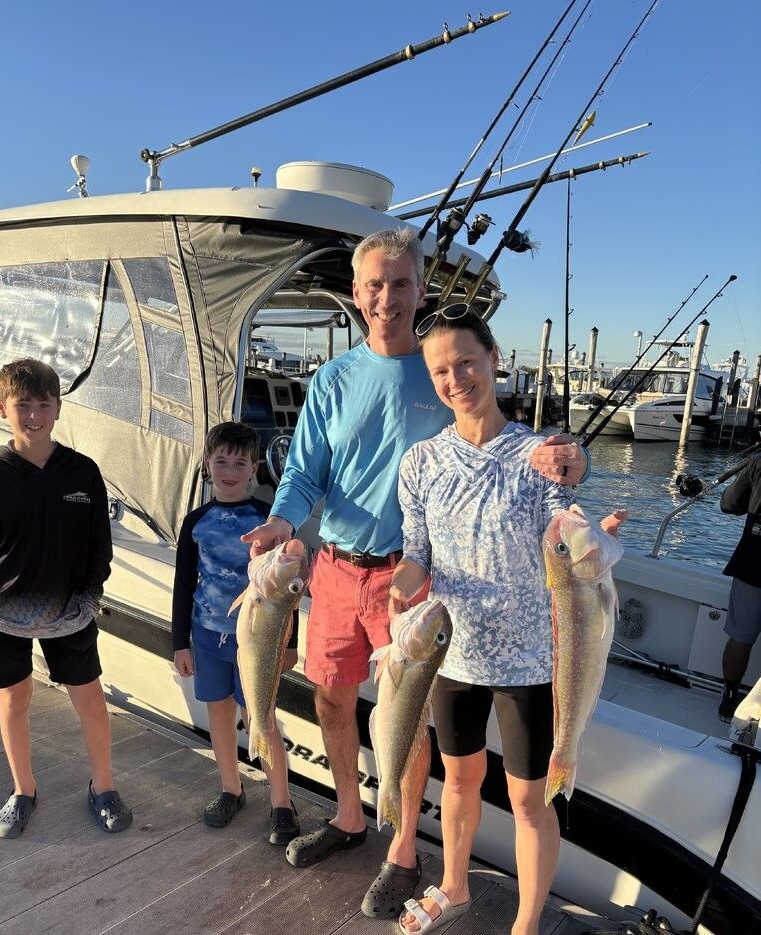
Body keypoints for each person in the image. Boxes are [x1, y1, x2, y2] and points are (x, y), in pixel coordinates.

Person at [240, 228, 589, 920]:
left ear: (420, 290)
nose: (386, 297)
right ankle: (348, 816)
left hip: (417, 583)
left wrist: (574, 457)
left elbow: (531, 456)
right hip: (338, 566)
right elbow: (306, 473)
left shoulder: (443, 370)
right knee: (334, 703)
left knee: (411, 722)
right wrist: (283, 521)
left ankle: (403, 847)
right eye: (374, 284)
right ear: (356, 293)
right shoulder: (333, 379)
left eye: (400, 283)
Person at [389, 305, 622, 935]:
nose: (456, 378)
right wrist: (399, 589)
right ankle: (455, 887)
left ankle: (525, 923)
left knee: (528, 797)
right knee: (459, 779)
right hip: (451, 653)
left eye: (466, 361)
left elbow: (565, 506)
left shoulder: (536, 452)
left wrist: (577, 477)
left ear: (494, 359)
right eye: (441, 369)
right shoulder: (419, 464)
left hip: (530, 659)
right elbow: (419, 554)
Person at [0, 358, 132, 838]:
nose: (33, 416)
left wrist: (91, 597)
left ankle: (104, 786)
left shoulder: (83, 472)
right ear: (1, 408)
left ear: (58, 408)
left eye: (43, 405)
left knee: (90, 700)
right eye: (22, 406)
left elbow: (100, 543)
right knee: (14, 700)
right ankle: (23, 789)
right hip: (1, 615)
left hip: (70, 613)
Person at [172, 421, 300, 843]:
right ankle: (231, 787)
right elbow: (184, 584)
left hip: (257, 642)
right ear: (207, 464)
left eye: (239, 462)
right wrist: (179, 644)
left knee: (261, 717)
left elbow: (286, 590)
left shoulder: (267, 521)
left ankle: (281, 800)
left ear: (255, 467)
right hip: (207, 636)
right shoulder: (195, 521)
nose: (229, 469)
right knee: (219, 714)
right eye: (221, 460)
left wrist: (290, 644)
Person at [718, 451, 761, 721]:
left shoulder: (759, 460)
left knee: (740, 637)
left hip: (753, 563)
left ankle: (729, 699)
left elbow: (730, 503)